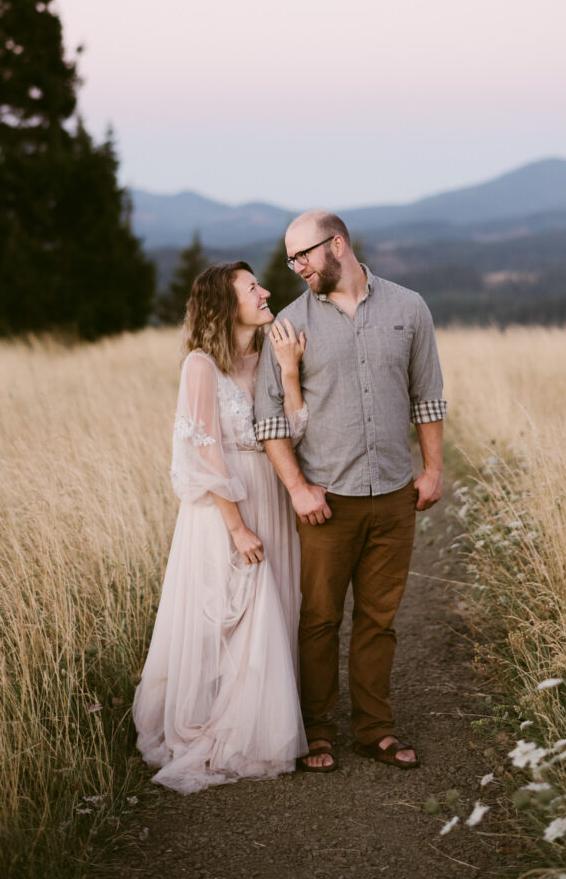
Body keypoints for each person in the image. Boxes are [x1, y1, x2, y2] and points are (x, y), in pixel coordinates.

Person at [254, 211, 447, 773]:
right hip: (326, 502)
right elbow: (268, 420)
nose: (297, 269)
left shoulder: (408, 307)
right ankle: (316, 731)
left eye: (304, 256)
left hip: (393, 494)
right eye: (291, 260)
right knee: (318, 619)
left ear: (337, 243)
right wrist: (296, 489)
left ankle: (376, 730)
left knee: (378, 619)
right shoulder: (288, 325)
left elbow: (427, 397)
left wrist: (432, 470)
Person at [132, 262, 310, 794]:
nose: (265, 292)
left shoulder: (266, 359)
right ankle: (220, 728)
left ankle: (261, 722)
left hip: (271, 495)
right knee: (229, 612)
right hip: (224, 508)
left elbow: (296, 432)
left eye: (259, 285)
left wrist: (291, 370)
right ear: (223, 303)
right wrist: (236, 528)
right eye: (251, 287)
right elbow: (202, 454)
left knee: (275, 609)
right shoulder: (201, 366)